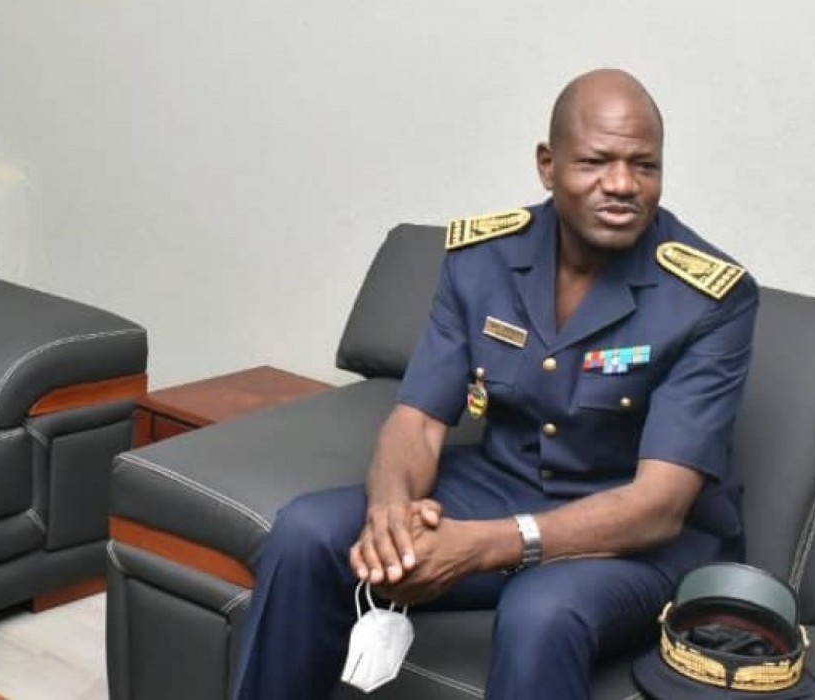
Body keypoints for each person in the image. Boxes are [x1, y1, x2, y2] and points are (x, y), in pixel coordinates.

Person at [230, 69, 759, 700]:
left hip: (636, 539)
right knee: (308, 532)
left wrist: (482, 546)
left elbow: (659, 506)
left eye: (644, 166)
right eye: (596, 161)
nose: (622, 184)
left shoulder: (709, 298)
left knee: (542, 611)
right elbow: (418, 419)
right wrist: (390, 513)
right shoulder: (483, 259)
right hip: (498, 489)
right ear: (547, 164)